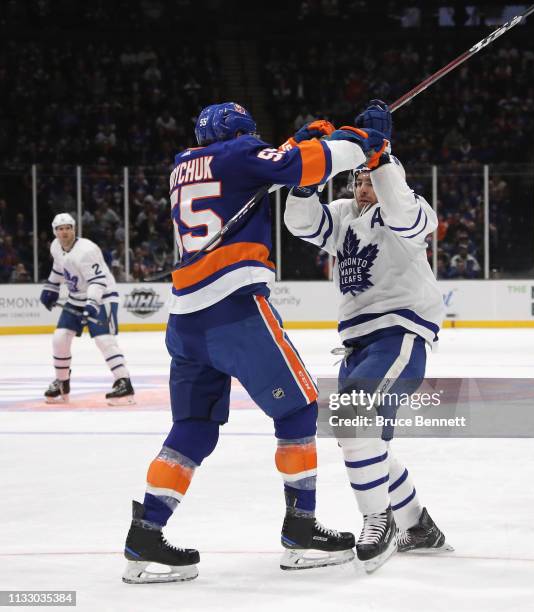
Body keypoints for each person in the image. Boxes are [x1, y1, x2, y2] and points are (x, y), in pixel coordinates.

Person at [121, 102, 385, 583]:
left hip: (185, 320)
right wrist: (357, 139)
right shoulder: (242, 154)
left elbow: (258, 169)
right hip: (234, 308)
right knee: (300, 408)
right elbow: (305, 165)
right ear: (240, 132)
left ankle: (145, 536)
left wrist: (296, 142)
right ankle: (301, 531)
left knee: (194, 427)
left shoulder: (185, 165)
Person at [284, 100, 451, 572]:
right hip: (358, 343)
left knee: (353, 418)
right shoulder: (342, 216)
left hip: (399, 332)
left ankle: (379, 520)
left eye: (367, 179)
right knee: (364, 437)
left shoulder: (410, 212)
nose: (361, 187)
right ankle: (418, 523)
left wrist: (382, 160)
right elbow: (300, 223)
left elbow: (399, 208)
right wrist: (306, 174)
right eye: (356, 178)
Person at [39, 213, 135, 405]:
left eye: (68, 228)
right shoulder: (56, 246)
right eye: (60, 229)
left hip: (103, 297)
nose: (64, 232)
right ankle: (62, 383)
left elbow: (98, 281)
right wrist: (51, 288)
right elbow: (59, 269)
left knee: (103, 339)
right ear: (55, 232)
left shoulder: (87, 250)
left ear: (74, 229)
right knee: (59, 338)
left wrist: (91, 304)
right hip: (76, 299)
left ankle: (124, 383)